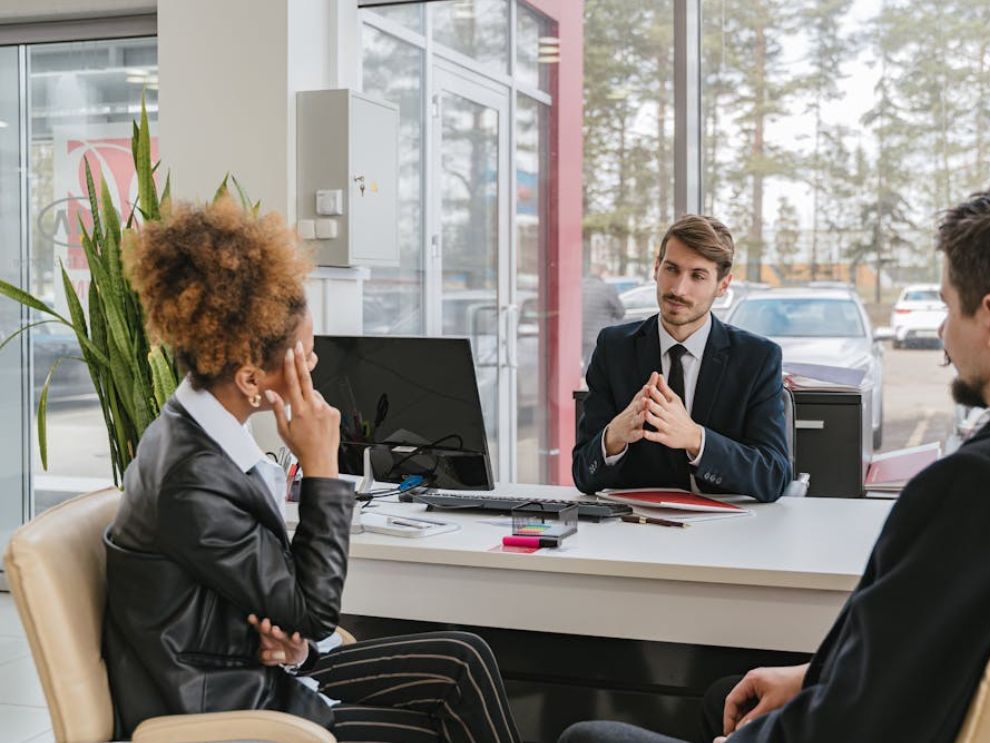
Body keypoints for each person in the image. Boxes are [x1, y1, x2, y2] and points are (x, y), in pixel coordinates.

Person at [560, 180, 990, 743]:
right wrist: (814, 677)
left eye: (947, 305)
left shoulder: (975, 488)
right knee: (730, 693)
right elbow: (934, 657)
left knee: (587, 738)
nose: (940, 334)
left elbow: (852, 721)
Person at [102, 199, 521, 743]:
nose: (316, 363)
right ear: (252, 379)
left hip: (254, 665)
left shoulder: (194, 428)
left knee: (464, 656)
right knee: (435, 726)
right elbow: (313, 612)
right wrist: (323, 465)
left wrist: (296, 639)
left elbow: (284, 607)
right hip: (226, 704)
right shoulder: (193, 476)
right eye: (304, 355)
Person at [572, 214, 790, 503]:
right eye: (671, 269)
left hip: (728, 534)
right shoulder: (614, 348)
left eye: (698, 276)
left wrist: (695, 439)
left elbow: (773, 476)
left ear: (723, 285)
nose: (678, 289)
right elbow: (583, 475)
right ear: (656, 269)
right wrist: (614, 436)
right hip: (632, 533)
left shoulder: (757, 359)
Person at [583, 262, 626, 367]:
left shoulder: (580, 286)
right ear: (603, 273)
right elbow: (620, 312)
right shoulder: (606, 288)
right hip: (597, 336)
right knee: (593, 369)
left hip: (579, 335)